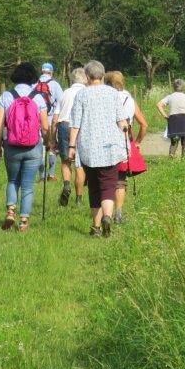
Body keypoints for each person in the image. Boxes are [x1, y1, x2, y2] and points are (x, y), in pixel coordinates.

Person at [69, 61, 129, 238]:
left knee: (94, 187)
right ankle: (107, 217)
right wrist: (126, 141)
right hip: (110, 148)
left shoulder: (81, 94)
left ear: (87, 76)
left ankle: (96, 227)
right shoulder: (113, 93)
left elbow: (75, 124)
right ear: (102, 75)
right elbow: (122, 122)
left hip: (88, 148)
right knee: (109, 185)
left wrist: (71, 146)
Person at [0, 62, 50, 233]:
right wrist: (48, 142)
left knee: (12, 180)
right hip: (33, 147)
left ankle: (11, 211)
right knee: (28, 185)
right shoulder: (38, 97)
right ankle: (24, 221)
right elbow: (44, 126)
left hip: (12, 146)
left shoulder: (6, 96)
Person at [104, 71, 148, 223]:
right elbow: (144, 124)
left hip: (106, 141)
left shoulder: (105, 98)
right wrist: (137, 142)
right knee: (120, 180)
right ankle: (118, 214)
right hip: (124, 141)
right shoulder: (129, 99)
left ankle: (104, 214)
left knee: (104, 178)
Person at [53, 67, 87, 207]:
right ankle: (78, 198)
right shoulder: (86, 92)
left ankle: (67, 184)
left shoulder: (65, 93)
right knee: (80, 163)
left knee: (65, 160)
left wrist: (52, 137)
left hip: (64, 125)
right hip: (81, 128)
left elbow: (55, 118)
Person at [33, 62, 63, 182]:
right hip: (50, 118)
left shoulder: (34, 84)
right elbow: (61, 101)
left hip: (36, 119)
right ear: (51, 72)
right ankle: (51, 174)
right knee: (52, 145)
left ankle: (41, 175)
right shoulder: (55, 84)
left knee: (39, 145)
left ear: (42, 71)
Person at [156, 78, 185, 157]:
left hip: (173, 121)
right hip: (184, 121)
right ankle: (184, 159)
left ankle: (171, 156)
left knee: (174, 142)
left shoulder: (170, 97)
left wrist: (165, 115)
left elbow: (159, 105)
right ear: (183, 87)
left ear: (174, 87)